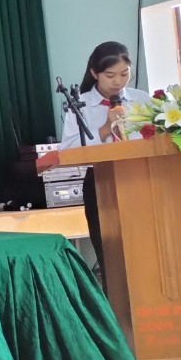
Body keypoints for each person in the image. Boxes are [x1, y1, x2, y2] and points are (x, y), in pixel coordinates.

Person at [60, 41, 149, 274]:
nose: (118, 81)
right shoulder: (79, 106)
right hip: (100, 182)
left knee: (146, 248)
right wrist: (106, 128)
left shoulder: (142, 100)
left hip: (142, 179)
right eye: (110, 75)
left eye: (124, 74)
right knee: (110, 256)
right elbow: (68, 150)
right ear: (94, 73)